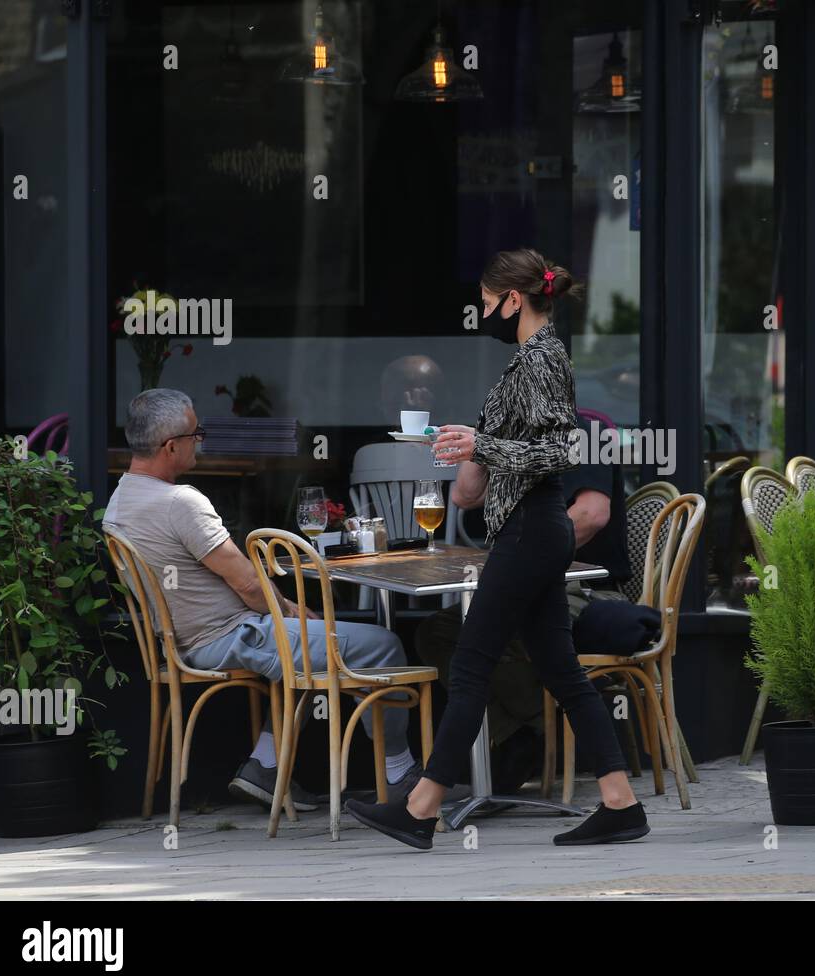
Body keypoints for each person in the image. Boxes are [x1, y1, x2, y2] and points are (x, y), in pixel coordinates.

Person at [346, 248, 646, 850]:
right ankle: (621, 803)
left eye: (486, 303)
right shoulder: (528, 361)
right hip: (528, 530)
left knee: (471, 662)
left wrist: (484, 442)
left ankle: (422, 806)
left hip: (531, 532)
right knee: (560, 671)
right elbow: (506, 458)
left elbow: (562, 452)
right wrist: (470, 447)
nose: (482, 313)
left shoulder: (542, 360)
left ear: (514, 299)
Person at [103, 389, 423, 811]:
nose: (201, 440)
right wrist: (292, 610)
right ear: (170, 446)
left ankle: (265, 768)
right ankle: (399, 775)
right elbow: (249, 585)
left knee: (304, 648)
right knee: (383, 645)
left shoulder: (120, 501)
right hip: (231, 637)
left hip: (187, 642)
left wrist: (294, 621)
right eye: (196, 434)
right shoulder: (180, 502)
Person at [413, 411, 631, 794]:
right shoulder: (514, 437)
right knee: (440, 631)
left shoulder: (584, 432)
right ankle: (521, 733)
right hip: (534, 578)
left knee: (492, 643)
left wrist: (528, 559)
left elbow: (592, 515)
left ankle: (427, 799)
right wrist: (481, 439)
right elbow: (464, 497)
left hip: (585, 585)